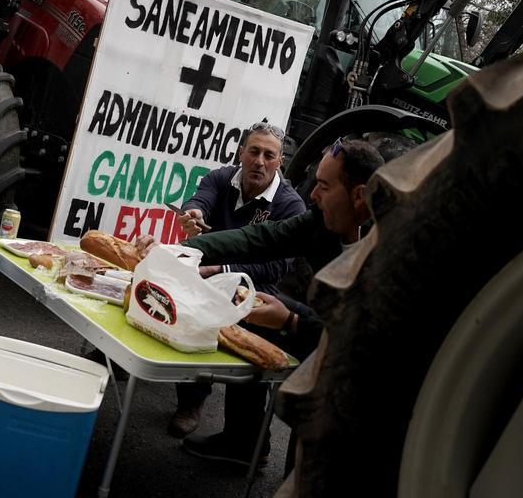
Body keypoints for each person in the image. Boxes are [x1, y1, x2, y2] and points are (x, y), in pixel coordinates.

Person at [137, 138, 385, 466]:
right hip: (333, 323)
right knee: (249, 309)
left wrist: (292, 322)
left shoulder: (392, 255)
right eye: (253, 152)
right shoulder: (318, 219)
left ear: (359, 196)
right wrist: (179, 251)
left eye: (324, 186)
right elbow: (257, 238)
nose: (313, 194)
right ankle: (244, 444)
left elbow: (370, 336)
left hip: (372, 368)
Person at [168, 120, 306, 440]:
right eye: (254, 151)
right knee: (176, 296)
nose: (260, 161)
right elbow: (200, 198)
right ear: (241, 153)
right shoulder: (221, 176)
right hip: (209, 271)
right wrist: (194, 214)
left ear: (280, 161)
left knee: (251, 342)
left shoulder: (290, 204)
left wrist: (221, 270)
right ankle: (191, 400)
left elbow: (275, 268)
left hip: (255, 284)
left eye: (269, 155)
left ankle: (244, 439)